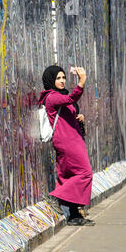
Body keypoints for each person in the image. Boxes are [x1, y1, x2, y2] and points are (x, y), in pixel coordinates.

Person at [39, 65, 95, 226]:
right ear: (50, 80)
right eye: (58, 78)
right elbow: (71, 99)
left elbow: (70, 107)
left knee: (67, 176)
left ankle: (73, 214)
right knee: (85, 173)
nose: (62, 81)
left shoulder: (60, 96)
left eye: (63, 77)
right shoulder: (51, 97)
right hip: (67, 142)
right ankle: (57, 196)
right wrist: (82, 81)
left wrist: (79, 118)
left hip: (72, 139)